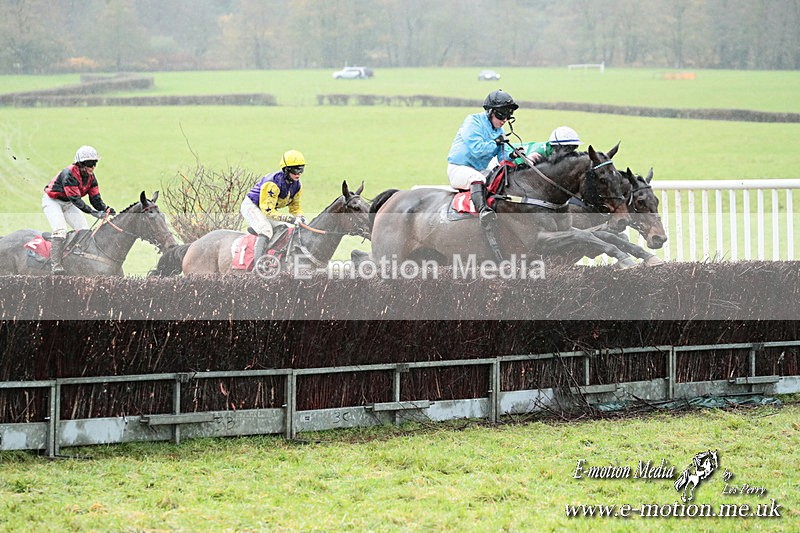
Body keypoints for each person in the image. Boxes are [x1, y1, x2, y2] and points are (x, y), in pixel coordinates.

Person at [446, 89, 528, 224]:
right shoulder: (473, 122)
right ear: (490, 112)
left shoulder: (499, 131)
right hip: (459, 168)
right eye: (501, 116)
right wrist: (496, 142)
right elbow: (477, 150)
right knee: (477, 178)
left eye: (507, 117)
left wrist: (512, 155)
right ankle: (483, 211)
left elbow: (502, 157)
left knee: (499, 176)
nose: (504, 121)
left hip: (479, 170)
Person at [42, 145, 116, 274]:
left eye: (94, 164)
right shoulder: (69, 174)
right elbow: (76, 200)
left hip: (68, 203)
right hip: (53, 202)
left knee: (85, 232)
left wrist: (105, 208)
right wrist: (94, 213)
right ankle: (56, 265)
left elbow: (95, 199)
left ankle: (79, 260)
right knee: (60, 230)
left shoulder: (91, 177)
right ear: (80, 164)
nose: (92, 167)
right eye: (89, 164)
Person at [240, 149, 306, 259]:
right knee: (266, 230)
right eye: (295, 170)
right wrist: (288, 218)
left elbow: (295, 207)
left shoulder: (297, 185)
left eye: (301, 169)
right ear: (286, 169)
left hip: (265, 208)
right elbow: (268, 211)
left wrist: (301, 217)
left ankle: (272, 255)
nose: (299, 173)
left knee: (283, 228)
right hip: (252, 206)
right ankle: (258, 265)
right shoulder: (272, 183)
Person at [512, 126, 582, 163]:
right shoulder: (538, 153)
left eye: (574, 147)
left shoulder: (553, 150)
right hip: (512, 158)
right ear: (557, 147)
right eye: (568, 148)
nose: (571, 151)